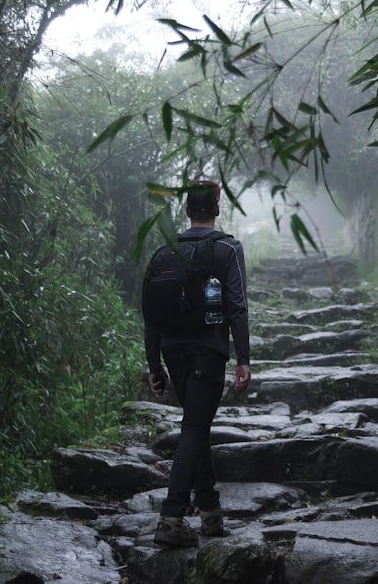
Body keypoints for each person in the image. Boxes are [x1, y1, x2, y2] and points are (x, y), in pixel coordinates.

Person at [144, 179, 251, 548]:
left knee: (196, 425)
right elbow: (236, 306)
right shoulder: (227, 248)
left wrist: (154, 365)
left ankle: (210, 513)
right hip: (208, 351)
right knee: (194, 429)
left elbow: (151, 314)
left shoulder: (164, 252)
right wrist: (243, 359)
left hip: (173, 352)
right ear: (217, 211)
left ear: (187, 212)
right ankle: (171, 517)